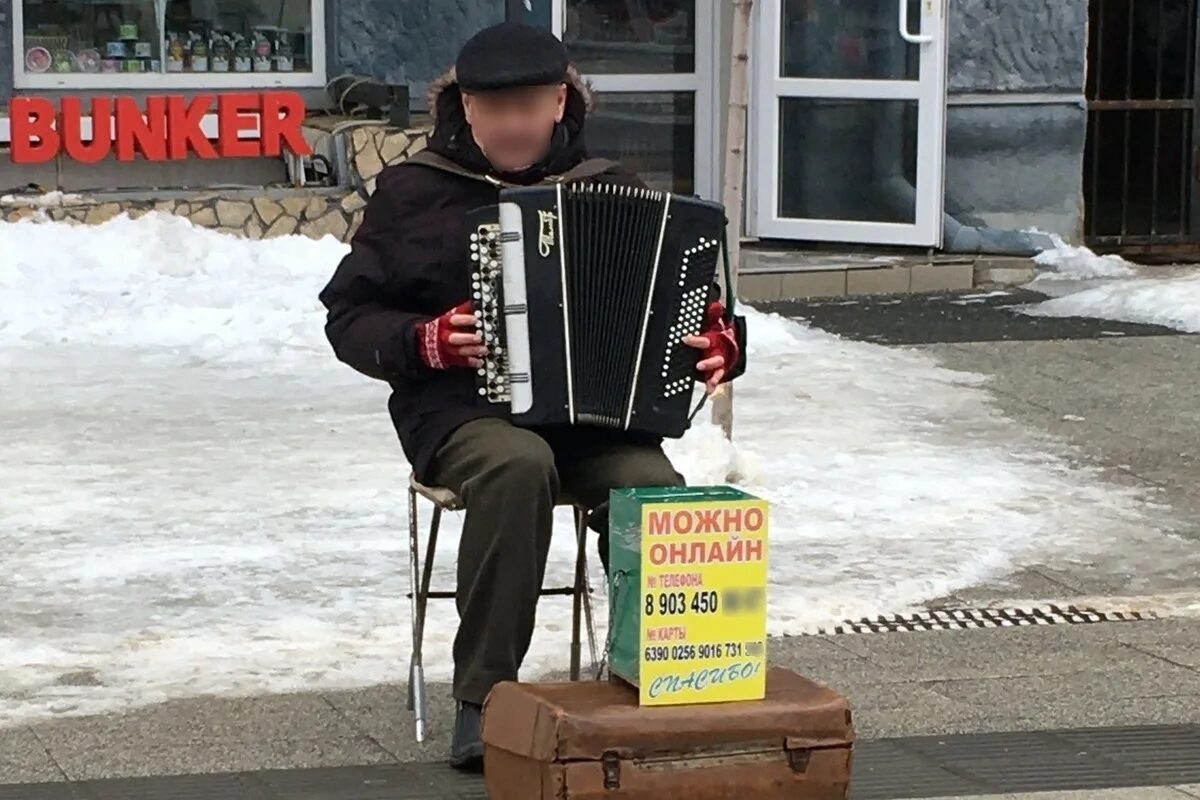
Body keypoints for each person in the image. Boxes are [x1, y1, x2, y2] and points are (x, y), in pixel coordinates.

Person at [318, 22, 746, 772]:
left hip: (594, 421)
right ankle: (485, 699)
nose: (512, 125)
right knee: (518, 466)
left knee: (652, 487)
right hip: (461, 412)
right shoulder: (417, 192)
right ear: (465, 108)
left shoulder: (611, 184)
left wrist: (722, 345)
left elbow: (687, 306)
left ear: (560, 102)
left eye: (528, 106)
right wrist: (423, 341)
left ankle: (669, 680)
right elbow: (348, 317)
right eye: (494, 109)